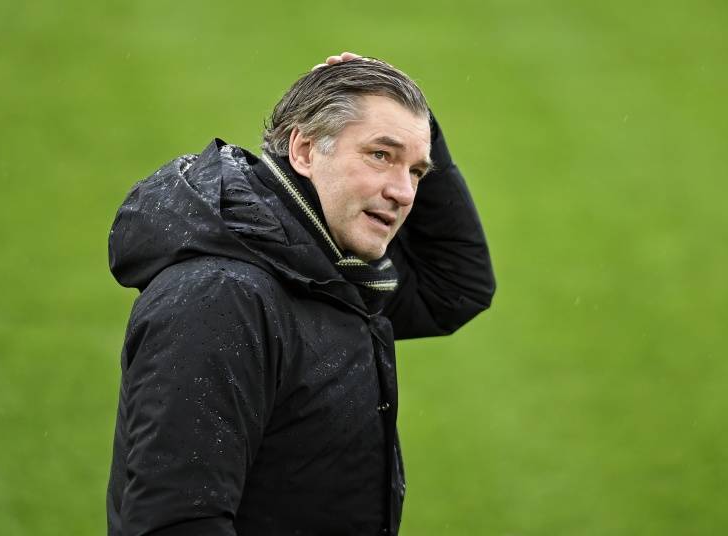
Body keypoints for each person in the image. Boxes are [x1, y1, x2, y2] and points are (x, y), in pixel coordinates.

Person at [106, 52, 496, 535]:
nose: (404, 192)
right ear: (305, 151)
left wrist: (414, 123)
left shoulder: (323, 268)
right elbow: (177, 520)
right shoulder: (220, 298)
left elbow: (453, 289)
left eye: (416, 171)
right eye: (381, 155)